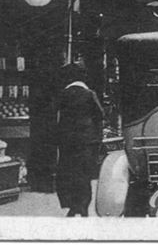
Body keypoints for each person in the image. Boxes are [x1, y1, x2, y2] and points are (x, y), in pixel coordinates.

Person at [54, 62, 103, 217]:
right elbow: (100, 114)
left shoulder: (63, 94)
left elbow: (55, 115)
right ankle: (83, 207)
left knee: (69, 173)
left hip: (67, 141)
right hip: (86, 141)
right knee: (84, 174)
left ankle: (72, 206)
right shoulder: (89, 94)